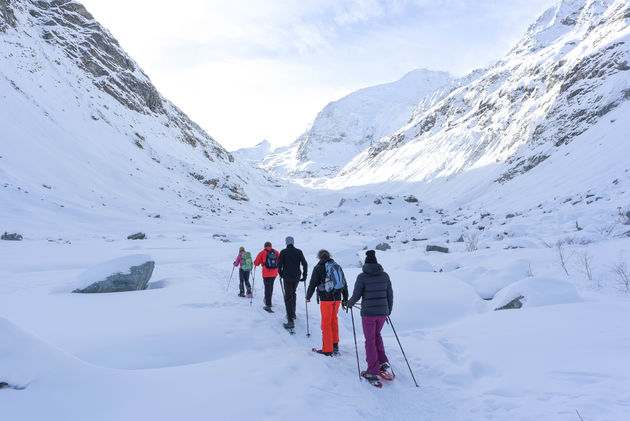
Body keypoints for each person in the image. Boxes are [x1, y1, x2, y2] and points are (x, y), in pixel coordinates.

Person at [347, 250, 394, 382]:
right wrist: (388, 310)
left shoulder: (362, 277)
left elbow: (356, 295)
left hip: (368, 314)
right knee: (377, 335)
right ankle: (382, 362)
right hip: (383, 313)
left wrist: (349, 304)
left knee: (370, 341)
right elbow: (390, 294)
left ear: (366, 264)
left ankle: (372, 371)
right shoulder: (385, 276)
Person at [306, 249, 348, 356]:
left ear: (319, 257)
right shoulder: (336, 266)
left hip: (326, 298)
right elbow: (344, 282)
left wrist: (308, 296)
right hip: (337, 298)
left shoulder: (318, 267)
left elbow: (312, 283)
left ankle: (327, 349)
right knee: (334, 320)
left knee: (326, 323)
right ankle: (335, 345)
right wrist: (345, 298)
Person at [278, 236, 308, 329]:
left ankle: (290, 320)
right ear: (293, 242)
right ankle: (293, 314)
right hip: (296, 277)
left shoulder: (283, 252)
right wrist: (304, 275)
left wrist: (281, 274)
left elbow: (279, 265)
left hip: (287, 277)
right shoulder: (299, 252)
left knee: (288, 297)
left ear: (286, 243)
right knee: (293, 293)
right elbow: (305, 263)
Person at [254, 241, 280, 312]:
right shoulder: (276, 252)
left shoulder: (262, 252)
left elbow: (256, 263)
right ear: (271, 246)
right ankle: (269, 302)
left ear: (264, 246)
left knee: (267, 288)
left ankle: (268, 305)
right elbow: (280, 260)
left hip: (266, 273)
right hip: (274, 273)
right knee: (271, 287)